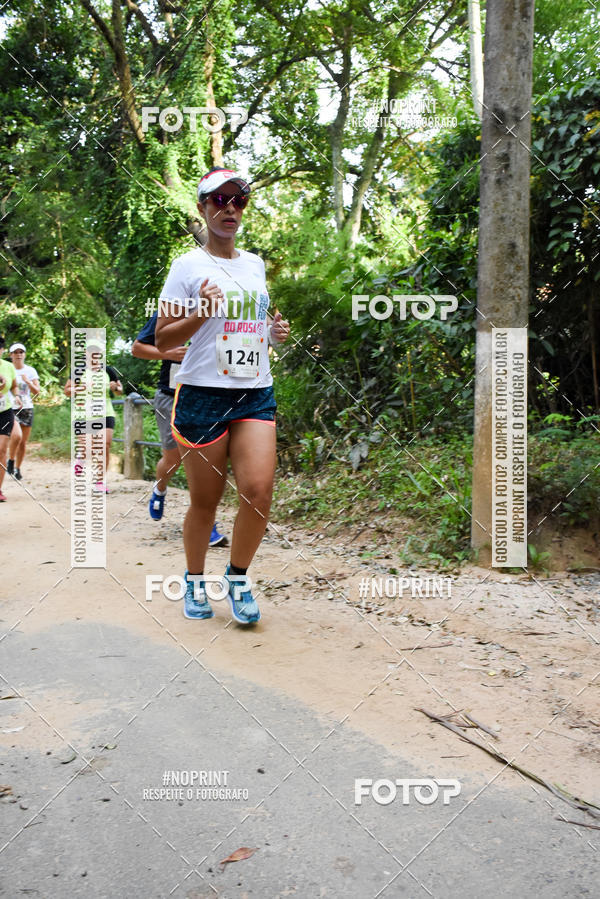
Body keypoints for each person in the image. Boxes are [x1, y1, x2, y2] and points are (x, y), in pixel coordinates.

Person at [155, 166, 290, 624]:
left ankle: (237, 577)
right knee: (205, 501)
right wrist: (201, 311)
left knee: (258, 491)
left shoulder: (254, 264)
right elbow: (162, 336)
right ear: (203, 208)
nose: (229, 208)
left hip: (254, 391)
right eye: (219, 200)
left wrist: (271, 334)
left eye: (238, 201)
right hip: (202, 394)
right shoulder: (186, 267)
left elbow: (248, 327)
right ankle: (194, 580)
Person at [131, 314, 227, 545]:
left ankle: (208, 525)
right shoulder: (173, 307)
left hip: (209, 395)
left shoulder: (224, 309)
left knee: (207, 461)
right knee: (173, 458)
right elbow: (137, 348)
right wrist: (167, 353)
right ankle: (160, 488)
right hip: (171, 395)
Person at [64, 341, 123, 492]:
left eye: (96, 350)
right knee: (87, 447)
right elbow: (67, 391)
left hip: (105, 412)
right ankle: (81, 458)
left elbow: (119, 390)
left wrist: (115, 387)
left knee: (105, 445)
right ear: (86, 353)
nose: (94, 353)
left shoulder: (108, 370)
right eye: (91, 351)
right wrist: (79, 388)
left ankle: (100, 482)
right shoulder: (79, 371)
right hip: (84, 414)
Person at [7, 343, 40, 481]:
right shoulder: (7, 369)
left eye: (21, 352)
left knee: (23, 442)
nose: (19, 354)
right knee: (16, 437)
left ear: (25, 354)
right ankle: (11, 460)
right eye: (16, 352)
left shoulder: (30, 371)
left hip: (26, 408)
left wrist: (28, 382)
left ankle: (18, 468)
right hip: (10, 408)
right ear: (11, 355)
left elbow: (37, 392)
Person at [0, 336, 19, 502]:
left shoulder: (8, 366)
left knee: (1, 450)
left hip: (4, 411)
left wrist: (17, 396)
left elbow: (14, 385)